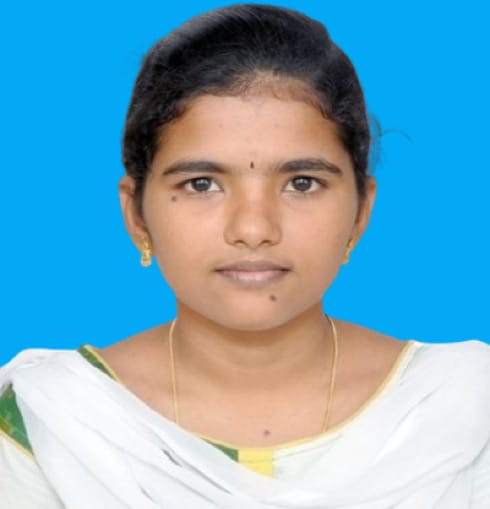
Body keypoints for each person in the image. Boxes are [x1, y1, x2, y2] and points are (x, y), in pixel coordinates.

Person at [1, 4, 489, 508]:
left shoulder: (463, 410)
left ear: (361, 210)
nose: (253, 230)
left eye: (302, 183)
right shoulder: (54, 423)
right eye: (202, 184)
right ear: (136, 213)